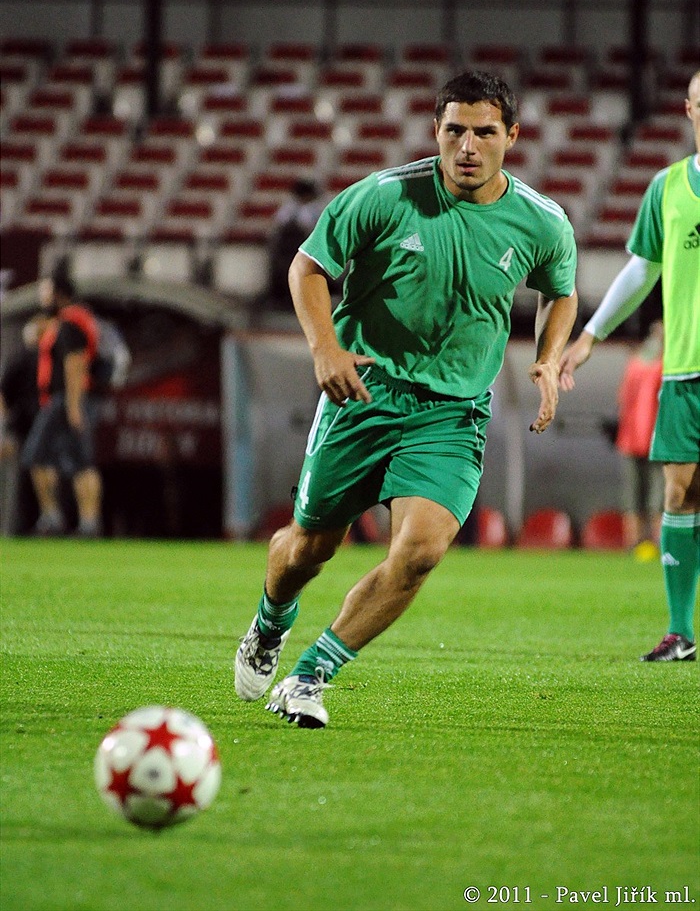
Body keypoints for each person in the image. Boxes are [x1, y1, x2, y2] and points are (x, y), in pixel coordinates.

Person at [235, 70, 579, 728]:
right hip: (363, 395)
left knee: (420, 550)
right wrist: (324, 348)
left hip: (452, 414)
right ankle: (270, 620)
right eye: (455, 130)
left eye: (484, 131)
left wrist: (547, 355)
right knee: (308, 549)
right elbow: (307, 267)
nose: (468, 146)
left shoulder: (541, 222)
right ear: (436, 132)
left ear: (512, 136)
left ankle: (310, 675)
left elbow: (560, 289)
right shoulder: (382, 197)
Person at [560, 71, 700, 663]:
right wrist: (590, 334)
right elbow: (641, 270)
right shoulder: (667, 189)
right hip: (685, 371)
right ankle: (679, 630)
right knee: (678, 491)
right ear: (690, 110)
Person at [21, 265, 104, 537]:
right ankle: (87, 522)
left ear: (59, 293)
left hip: (65, 401)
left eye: (47, 291)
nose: (43, 296)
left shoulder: (69, 323)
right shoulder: (75, 319)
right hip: (71, 400)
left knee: (36, 456)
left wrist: (73, 405)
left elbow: (73, 363)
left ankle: (56, 518)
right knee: (81, 462)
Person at [0, 314, 51, 534]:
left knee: (25, 476)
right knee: (23, 477)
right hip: (25, 427)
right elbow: (3, 394)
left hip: (35, 427)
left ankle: (39, 521)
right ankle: (20, 526)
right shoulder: (24, 358)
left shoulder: (48, 359)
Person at [615, 320, 664, 551]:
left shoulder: (643, 365)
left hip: (651, 441)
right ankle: (640, 545)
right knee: (640, 496)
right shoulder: (645, 365)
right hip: (642, 439)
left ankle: (652, 544)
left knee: (654, 498)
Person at [267, 179, 325, 310]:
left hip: (307, 249)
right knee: (283, 276)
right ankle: (281, 302)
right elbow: (277, 227)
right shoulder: (289, 208)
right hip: (286, 251)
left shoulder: (315, 209)